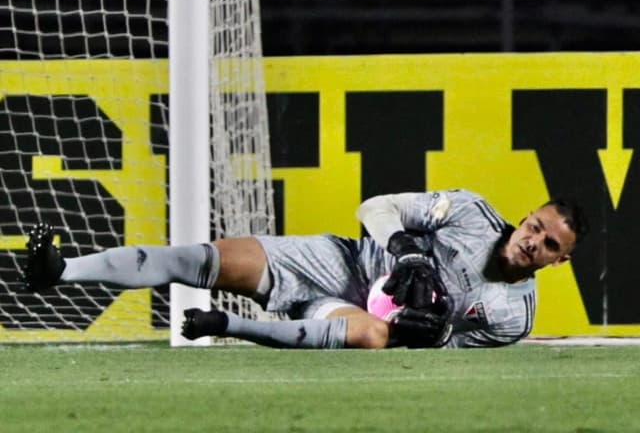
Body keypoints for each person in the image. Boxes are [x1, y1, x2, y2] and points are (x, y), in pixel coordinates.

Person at [21, 189, 588, 349]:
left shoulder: (514, 319)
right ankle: (61, 271)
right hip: (339, 259)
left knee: (372, 335)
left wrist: (434, 333)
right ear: (525, 218)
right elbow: (377, 207)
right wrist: (408, 252)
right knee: (202, 258)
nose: (531, 241)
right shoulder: (469, 212)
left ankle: (231, 327)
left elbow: (446, 346)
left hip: (350, 315)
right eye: (534, 226)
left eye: (548, 244)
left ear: (560, 261)